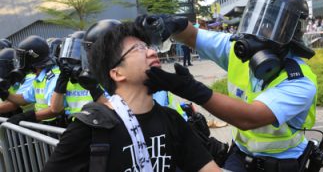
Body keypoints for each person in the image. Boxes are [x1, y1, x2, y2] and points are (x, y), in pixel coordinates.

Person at [137, 0, 321, 172]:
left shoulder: (300, 81)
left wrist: (191, 89)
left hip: (281, 166)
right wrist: (170, 23)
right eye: (260, 20)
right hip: (240, 156)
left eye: (271, 25)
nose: (260, 30)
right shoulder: (240, 51)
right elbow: (193, 37)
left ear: (292, 33)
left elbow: (249, 117)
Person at [43, 20, 220, 172]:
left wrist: (195, 90)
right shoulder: (89, 128)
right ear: (117, 73)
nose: (152, 52)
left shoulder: (172, 120)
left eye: (148, 46)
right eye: (138, 48)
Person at [0, 35, 61, 125]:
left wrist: (29, 116)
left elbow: (55, 109)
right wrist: (4, 93)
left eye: (21, 57)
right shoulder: (39, 76)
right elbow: (24, 99)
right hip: (45, 123)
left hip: (55, 124)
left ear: (31, 58)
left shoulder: (53, 77)